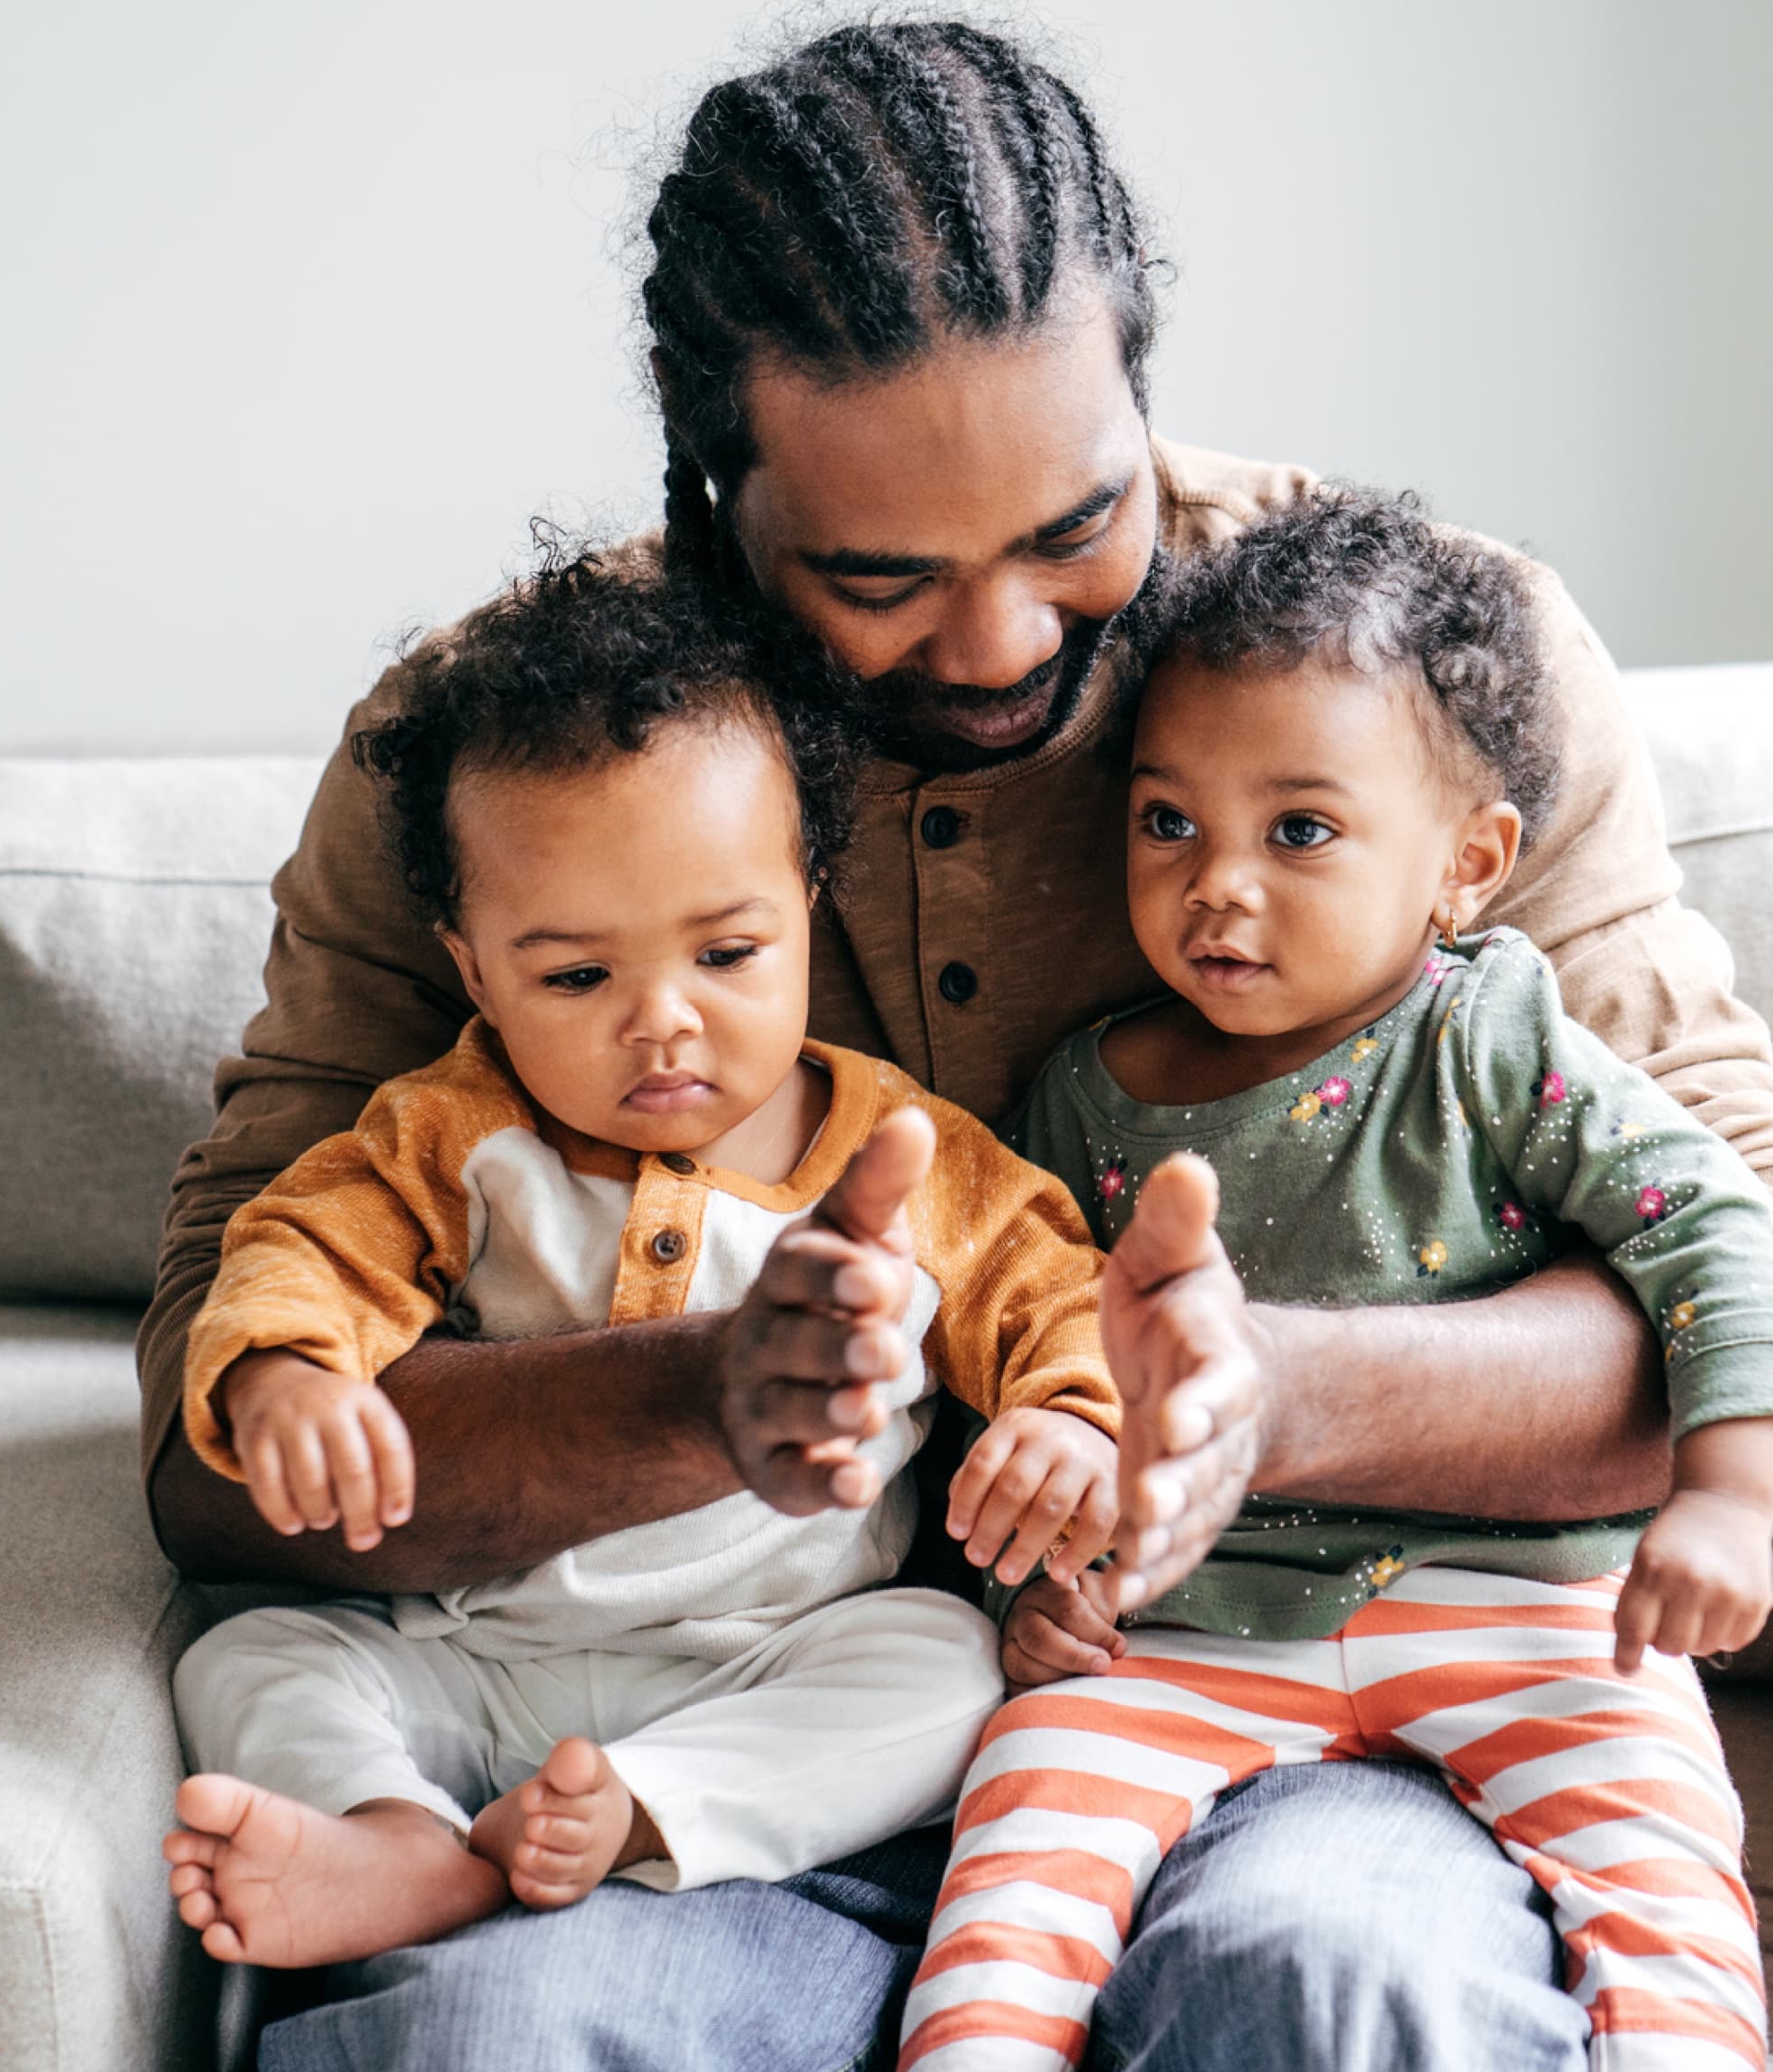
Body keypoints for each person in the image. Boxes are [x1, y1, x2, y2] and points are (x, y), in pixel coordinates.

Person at [141, 22, 1773, 2069]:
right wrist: (692, 1403)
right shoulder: (514, 767)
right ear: (713, 497)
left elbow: (1752, 1260)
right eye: (881, 577)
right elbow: (206, 1456)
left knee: (1336, 1995)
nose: (1005, 643)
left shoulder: (1405, 682)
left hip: (1275, 1681)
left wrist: (1260, 1394)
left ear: (1142, 392)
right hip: (680, 1721)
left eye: (1078, 529)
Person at [899, 487, 1773, 2072]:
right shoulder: (1075, 1097)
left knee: (1663, 1874)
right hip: (1188, 1626)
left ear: (1463, 867)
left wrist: (1727, 1498)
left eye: (1301, 832)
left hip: (1526, 1605)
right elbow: (1029, 1362)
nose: (1219, 884)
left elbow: (1718, 1226)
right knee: (1019, 1846)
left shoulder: (1494, 1038)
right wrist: (1037, 1581)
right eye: (1166, 821)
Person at [159, 543, 1123, 1968]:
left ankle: (653, 1814)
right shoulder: (448, 1135)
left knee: (942, 1664)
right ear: (475, 967)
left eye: (726, 956)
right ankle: (403, 1844)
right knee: (246, 1657)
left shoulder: (904, 1150)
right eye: (575, 977)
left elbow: (1056, 1290)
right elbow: (302, 1243)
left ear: (809, 905)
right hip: (479, 1655)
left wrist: (1066, 1420)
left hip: (778, 1655)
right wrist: (288, 1369)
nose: (661, 1021)